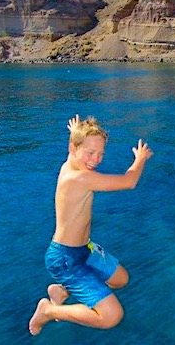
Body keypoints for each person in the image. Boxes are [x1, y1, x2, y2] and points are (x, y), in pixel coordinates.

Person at [29, 114, 153, 335]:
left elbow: (78, 145)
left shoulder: (70, 163)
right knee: (112, 316)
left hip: (84, 248)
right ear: (73, 148)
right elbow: (129, 181)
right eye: (90, 153)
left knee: (120, 280)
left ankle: (61, 291)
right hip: (64, 259)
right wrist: (140, 158)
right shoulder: (80, 179)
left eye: (100, 154)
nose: (95, 160)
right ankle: (48, 311)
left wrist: (77, 131)